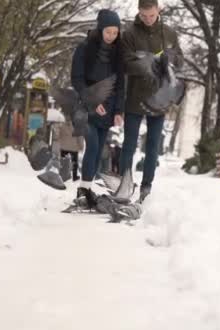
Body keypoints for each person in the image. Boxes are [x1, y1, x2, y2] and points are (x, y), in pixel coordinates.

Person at [120, 0, 183, 202]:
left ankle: (146, 186)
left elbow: (179, 61)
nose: (148, 20)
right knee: (129, 144)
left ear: (158, 11)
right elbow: (125, 64)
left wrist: (170, 61)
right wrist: (147, 63)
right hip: (135, 97)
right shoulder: (129, 34)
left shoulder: (170, 33)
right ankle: (125, 182)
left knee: (153, 145)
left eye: (152, 15)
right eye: (144, 16)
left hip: (159, 99)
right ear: (139, 12)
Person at [71, 9, 124, 206]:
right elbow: (76, 79)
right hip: (86, 107)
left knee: (98, 149)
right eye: (108, 31)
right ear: (100, 29)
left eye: (115, 32)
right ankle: (83, 189)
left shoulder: (118, 54)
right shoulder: (84, 48)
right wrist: (93, 102)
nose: (111, 36)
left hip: (108, 110)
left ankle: (87, 189)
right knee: (92, 144)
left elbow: (120, 85)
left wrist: (118, 111)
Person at [57, 117, 84, 181]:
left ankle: (61, 174)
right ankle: (74, 177)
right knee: (74, 162)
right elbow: (80, 138)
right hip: (73, 148)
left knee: (63, 161)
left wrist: (60, 142)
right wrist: (81, 147)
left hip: (63, 147)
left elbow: (58, 136)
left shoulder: (62, 126)